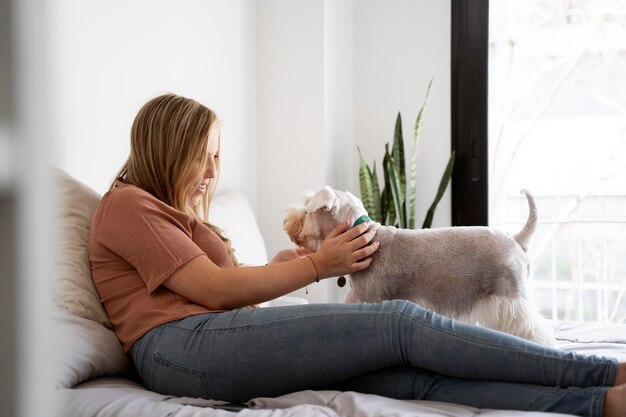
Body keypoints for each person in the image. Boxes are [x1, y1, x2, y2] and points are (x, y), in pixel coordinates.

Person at [88, 93, 626, 417]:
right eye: (203, 159)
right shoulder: (127, 204)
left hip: (207, 342)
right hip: (180, 350)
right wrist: (320, 265)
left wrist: (279, 270)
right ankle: (599, 375)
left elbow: (215, 289)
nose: (211, 174)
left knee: (410, 378)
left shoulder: (166, 213)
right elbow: (211, 291)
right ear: (169, 150)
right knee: (397, 324)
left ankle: (595, 405)